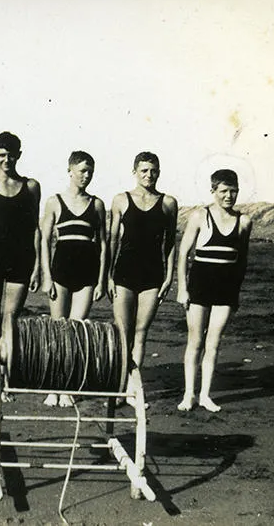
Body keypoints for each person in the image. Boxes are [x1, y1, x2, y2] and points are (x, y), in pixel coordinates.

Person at [176, 169, 252, 412]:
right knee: (195, 341)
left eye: (233, 191)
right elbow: (183, 253)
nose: (229, 196)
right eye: (223, 191)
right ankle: (189, 395)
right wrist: (182, 289)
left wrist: (236, 294)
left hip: (226, 290)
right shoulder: (200, 216)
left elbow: (241, 261)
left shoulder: (244, 221)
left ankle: (206, 395)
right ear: (213, 191)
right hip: (199, 285)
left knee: (214, 343)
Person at [0, 131, 41, 400]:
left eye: (11, 155)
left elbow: (36, 229)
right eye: (1, 155)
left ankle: (5, 381)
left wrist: (37, 267)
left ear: (19, 156)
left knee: (10, 322)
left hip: (21, 258)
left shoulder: (31, 186)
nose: (6, 160)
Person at [108, 152, 178, 406]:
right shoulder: (121, 200)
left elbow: (170, 243)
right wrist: (107, 276)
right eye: (144, 170)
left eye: (153, 170)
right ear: (135, 171)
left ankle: (132, 389)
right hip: (124, 273)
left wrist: (169, 276)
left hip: (152, 276)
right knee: (123, 333)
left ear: (159, 172)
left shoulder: (168, 203)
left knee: (140, 333)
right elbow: (112, 240)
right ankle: (119, 388)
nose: (149, 175)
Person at [39, 151, 108, 407]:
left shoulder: (97, 204)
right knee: (58, 330)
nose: (86, 176)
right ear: (70, 171)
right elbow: (44, 240)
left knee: (77, 331)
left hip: (87, 274)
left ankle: (68, 386)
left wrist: (102, 280)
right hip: (61, 272)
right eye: (82, 171)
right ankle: (53, 386)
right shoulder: (55, 202)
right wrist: (47, 275)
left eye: (90, 171)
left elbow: (103, 244)